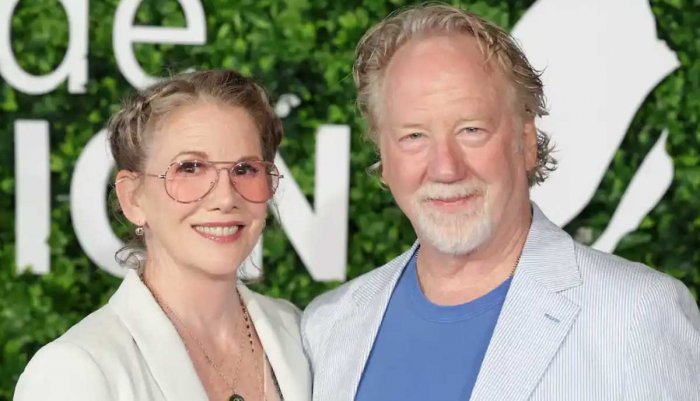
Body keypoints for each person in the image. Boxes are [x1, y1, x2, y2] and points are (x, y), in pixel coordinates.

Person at [301, 4, 700, 401]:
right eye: (414, 136)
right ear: (385, 159)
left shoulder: (635, 314)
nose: (445, 168)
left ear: (526, 141)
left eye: (471, 130)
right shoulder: (328, 327)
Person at [15, 70, 311, 401]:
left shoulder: (299, 332)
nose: (226, 198)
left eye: (245, 169)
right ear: (133, 197)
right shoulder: (74, 370)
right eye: (190, 168)